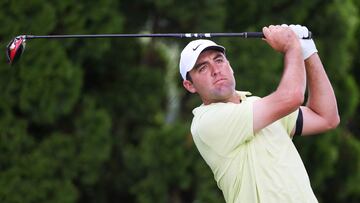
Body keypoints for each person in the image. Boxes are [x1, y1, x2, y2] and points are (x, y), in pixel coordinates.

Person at [179, 25, 340, 203]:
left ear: (229, 66)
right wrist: (292, 47)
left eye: (219, 60)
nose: (216, 70)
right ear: (190, 86)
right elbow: (292, 96)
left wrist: (308, 50)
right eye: (202, 68)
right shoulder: (206, 122)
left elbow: (326, 117)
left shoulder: (256, 104)